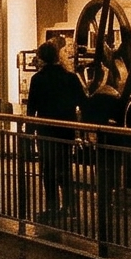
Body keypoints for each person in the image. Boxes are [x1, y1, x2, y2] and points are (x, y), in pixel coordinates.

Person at [26, 40, 84, 216]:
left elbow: (32, 109)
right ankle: (70, 206)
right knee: (65, 169)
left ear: (42, 58)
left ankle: (52, 207)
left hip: (45, 130)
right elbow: (81, 102)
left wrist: (29, 133)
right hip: (66, 130)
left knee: (48, 170)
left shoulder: (37, 80)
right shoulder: (71, 78)